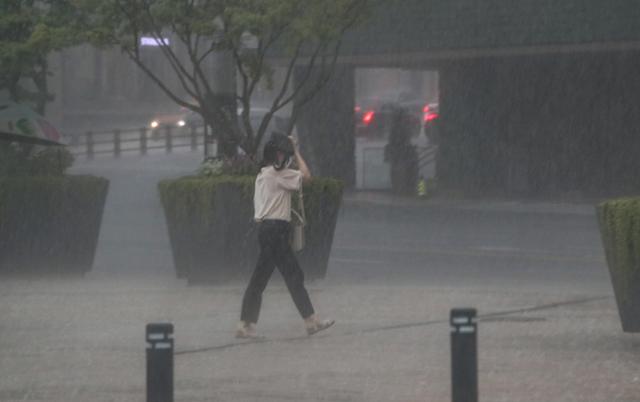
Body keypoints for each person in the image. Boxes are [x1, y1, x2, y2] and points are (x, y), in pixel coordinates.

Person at [236, 133, 334, 339]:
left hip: (265, 230)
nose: (283, 158)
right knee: (293, 276)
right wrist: (297, 151)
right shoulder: (279, 175)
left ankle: (245, 323)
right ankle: (311, 321)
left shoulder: (262, 175)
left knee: (260, 279)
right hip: (276, 230)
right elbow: (307, 176)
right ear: (275, 156)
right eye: (280, 155)